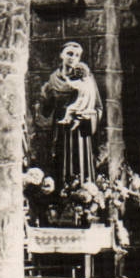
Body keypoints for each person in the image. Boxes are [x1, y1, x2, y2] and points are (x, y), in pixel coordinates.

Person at [41, 41, 102, 189]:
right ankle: (59, 202)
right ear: (62, 55)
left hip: (80, 131)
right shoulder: (53, 79)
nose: (72, 57)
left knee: (79, 165)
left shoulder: (86, 78)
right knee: (59, 165)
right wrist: (45, 97)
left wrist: (87, 117)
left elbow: (98, 107)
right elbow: (46, 111)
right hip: (60, 130)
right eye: (69, 54)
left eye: (76, 55)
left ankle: (82, 200)